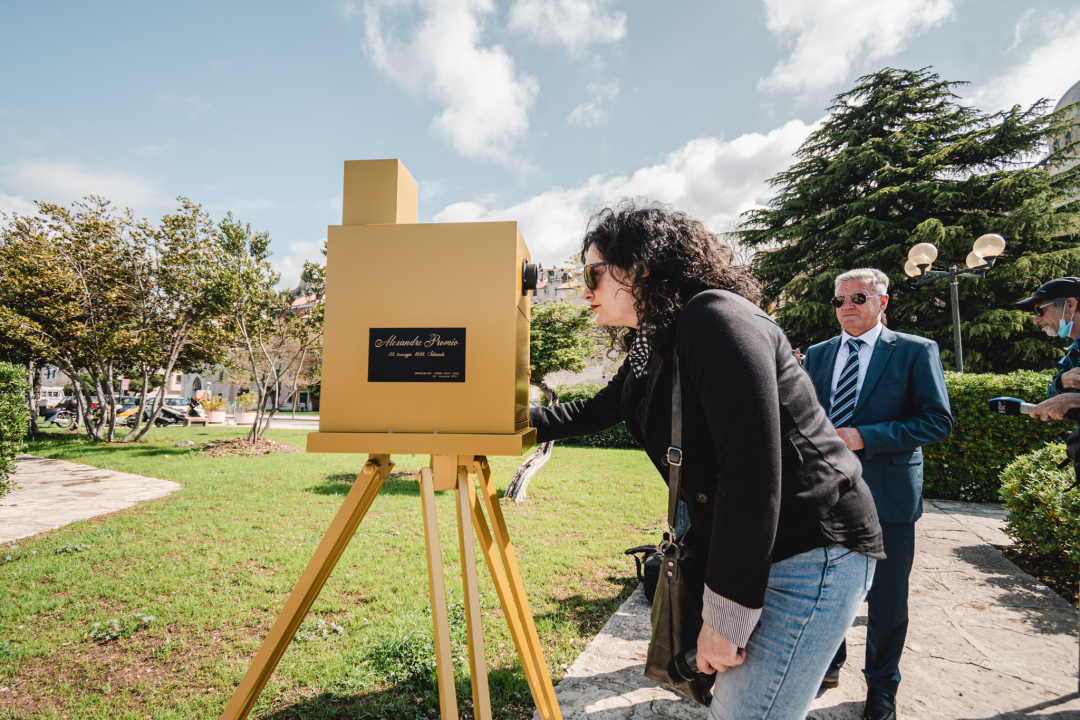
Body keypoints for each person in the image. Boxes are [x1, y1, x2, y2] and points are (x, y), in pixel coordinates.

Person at [531, 204, 884, 719]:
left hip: (811, 549)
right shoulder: (657, 341)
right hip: (766, 548)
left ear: (642, 268)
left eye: (593, 272)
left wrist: (726, 614)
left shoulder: (713, 316)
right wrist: (494, 418)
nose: (583, 289)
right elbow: (593, 409)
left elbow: (752, 471)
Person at [802, 268, 953, 720]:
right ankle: (829, 663)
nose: (848, 307)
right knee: (825, 587)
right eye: (840, 301)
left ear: (882, 302)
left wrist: (865, 436)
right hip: (827, 492)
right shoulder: (819, 354)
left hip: (888, 496)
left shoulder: (914, 350)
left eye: (859, 298)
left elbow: (936, 421)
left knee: (887, 599)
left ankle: (882, 687)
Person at [1017, 278, 1080, 421]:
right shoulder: (1075, 350)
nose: (1036, 320)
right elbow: (1053, 397)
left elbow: (1066, 401)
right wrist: (1063, 382)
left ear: (1070, 305)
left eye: (1040, 311)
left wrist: (1073, 400)